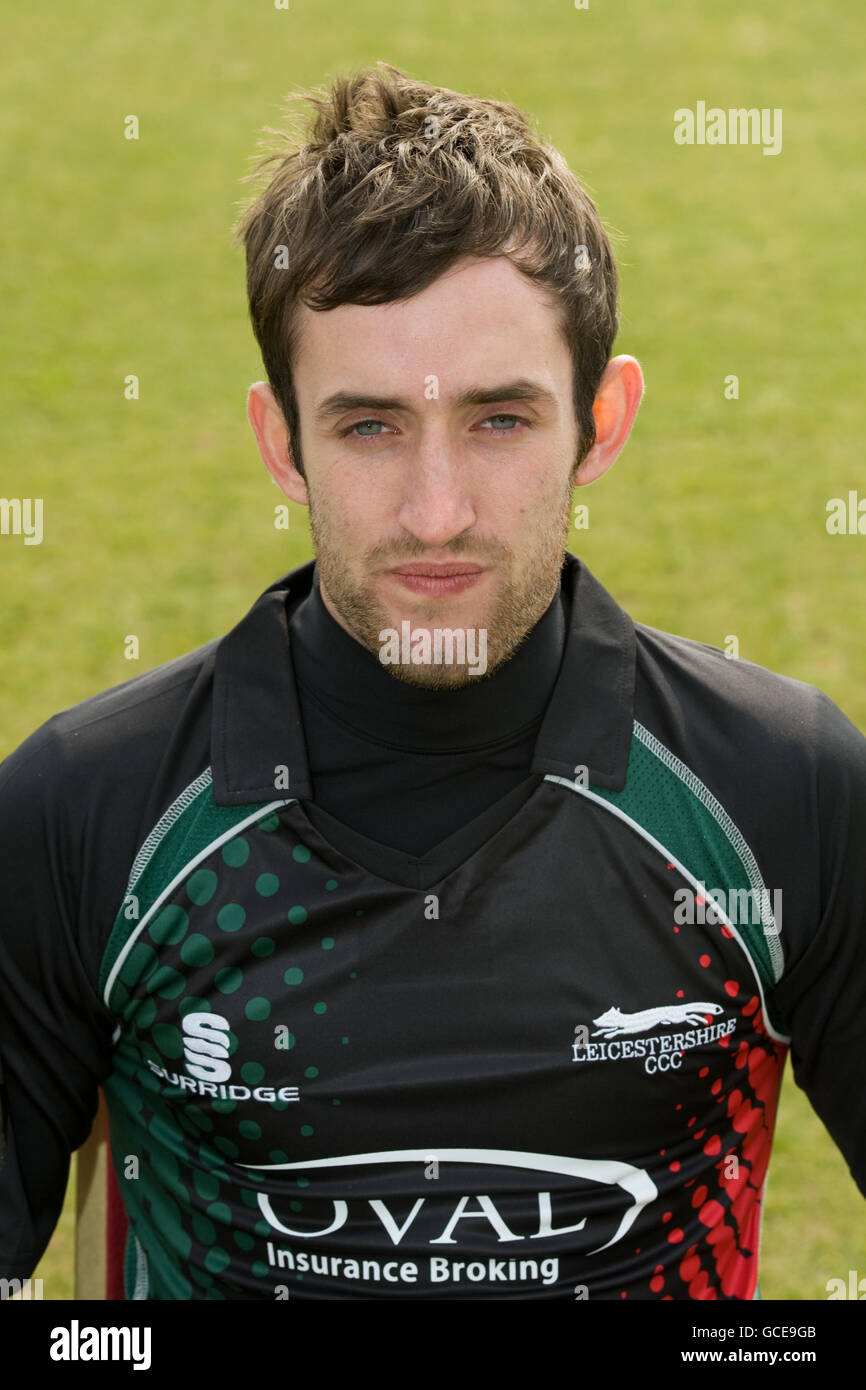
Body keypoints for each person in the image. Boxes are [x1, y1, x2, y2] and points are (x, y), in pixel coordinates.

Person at [0, 61, 864, 1302]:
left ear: (600, 422)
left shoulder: (778, 794)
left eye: (499, 420)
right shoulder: (87, 813)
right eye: (368, 427)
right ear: (279, 443)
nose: (435, 512)